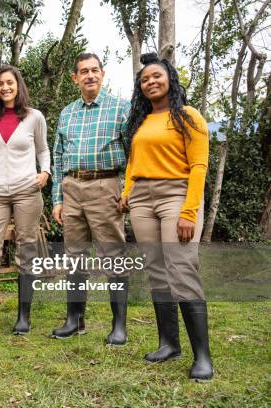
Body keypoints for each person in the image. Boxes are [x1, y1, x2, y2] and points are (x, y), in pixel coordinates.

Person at [118, 53, 213, 381]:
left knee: (181, 268)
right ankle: (169, 344)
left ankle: (203, 356)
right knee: (157, 271)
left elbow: (199, 165)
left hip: (177, 194)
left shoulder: (189, 116)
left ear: (170, 78)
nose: (150, 82)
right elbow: (134, 162)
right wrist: (127, 191)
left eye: (156, 76)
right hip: (143, 200)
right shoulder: (141, 122)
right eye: (144, 80)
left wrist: (189, 211)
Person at [51, 53, 130, 344]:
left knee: (113, 256)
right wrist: (56, 198)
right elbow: (58, 158)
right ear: (75, 78)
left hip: (105, 186)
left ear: (103, 74)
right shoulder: (67, 113)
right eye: (83, 71)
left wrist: (128, 190)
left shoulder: (121, 108)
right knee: (74, 257)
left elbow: (134, 152)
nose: (90, 76)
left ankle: (119, 325)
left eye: (94, 70)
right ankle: (75, 320)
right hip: (72, 187)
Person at [0, 64, 50, 335]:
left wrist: (45, 172)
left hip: (27, 190)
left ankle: (23, 317)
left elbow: (42, 149)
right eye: (1, 83)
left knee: (26, 249)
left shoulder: (34, 117)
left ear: (18, 86)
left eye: (10, 83)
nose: (5, 87)